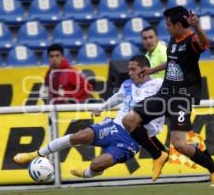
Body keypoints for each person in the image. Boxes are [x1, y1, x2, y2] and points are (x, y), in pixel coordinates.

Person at [13, 55, 166, 178]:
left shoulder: (158, 85)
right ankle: (35, 154)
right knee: (79, 136)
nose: (130, 73)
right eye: (129, 69)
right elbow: (118, 97)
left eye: (133, 69)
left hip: (132, 140)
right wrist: (102, 108)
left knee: (97, 164)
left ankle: (87, 174)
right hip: (114, 126)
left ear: (145, 70)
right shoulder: (127, 84)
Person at [122, 6, 214, 187]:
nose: (167, 27)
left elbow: (204, 44)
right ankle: (159, 154)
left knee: (179, 144)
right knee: (129, 120)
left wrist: (198, 27)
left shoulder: (192, 39)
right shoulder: (174, 39)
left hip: (181, 98)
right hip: (165, 93)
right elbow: (172, 62)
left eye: (169, 24)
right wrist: (152, 70)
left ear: (179, 24)